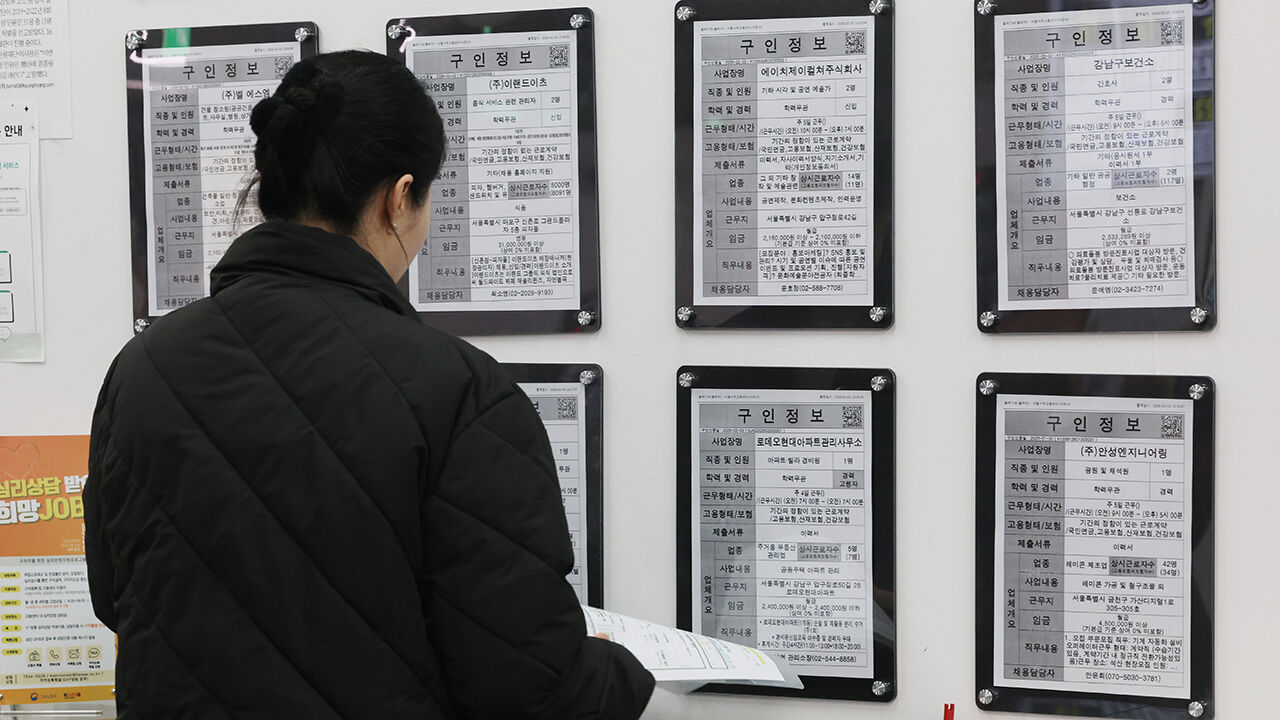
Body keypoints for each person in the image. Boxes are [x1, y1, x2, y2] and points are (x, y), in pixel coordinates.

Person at [84, 50, 656, 719]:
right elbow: (528, 688)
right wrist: (625, 674)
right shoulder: (458, 393)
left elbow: (116, 595)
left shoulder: (142, 369)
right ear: (399, 197)